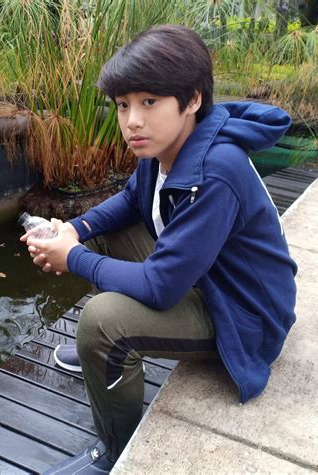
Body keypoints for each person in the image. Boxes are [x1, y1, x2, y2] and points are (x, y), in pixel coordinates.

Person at [21, 24, 297, 474]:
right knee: (100, 236)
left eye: (149, 102)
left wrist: (70, 256)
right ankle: (104, 359)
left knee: (101, 324)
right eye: (123, 104)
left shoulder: (216, 170)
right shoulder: (168, 146)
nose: (132, 120)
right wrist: (72, 229)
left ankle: (116, 451)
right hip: (209, 278)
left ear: (192, 100)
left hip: (243, 313)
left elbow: (161, 286)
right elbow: (132, 201)